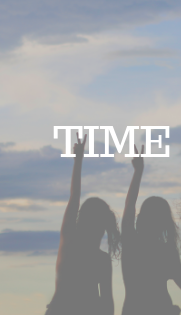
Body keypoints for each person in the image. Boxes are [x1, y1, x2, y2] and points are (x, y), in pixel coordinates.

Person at [46, 133, 120, 315]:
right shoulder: (76, 245)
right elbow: (75, 196)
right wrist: (78, 160)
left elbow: (108, 304)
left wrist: (78, 159)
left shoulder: (71, 243)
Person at [121, 145, 181, 315]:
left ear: (142, 218)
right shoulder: (167, 251)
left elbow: (129, 206)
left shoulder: (131, 243)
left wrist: (138, 172)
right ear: (165, 222)